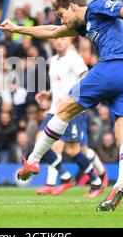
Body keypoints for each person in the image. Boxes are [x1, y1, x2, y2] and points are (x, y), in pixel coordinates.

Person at [0, 0, 123, 212]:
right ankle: (122, 182)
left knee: (63, 108)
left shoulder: (97, 7)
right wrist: (17, 29)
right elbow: (52, 31)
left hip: (112, 68)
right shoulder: (82, 25)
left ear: (72, 6)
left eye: (62, 13)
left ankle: (33, 159)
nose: (61, 20)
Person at [35, 36, 107, 198]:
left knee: (73, 151)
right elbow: (59, 86)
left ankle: (96, 182)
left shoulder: (74, 58)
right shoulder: (52, 60)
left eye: (63, 39)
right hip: (55, 110)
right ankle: (66, 177)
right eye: (56, 39)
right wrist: (47, 94)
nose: (59, 41)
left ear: (69, 41)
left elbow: (86, 78)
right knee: (41, 142)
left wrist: (71, 95)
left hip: (72, 110)